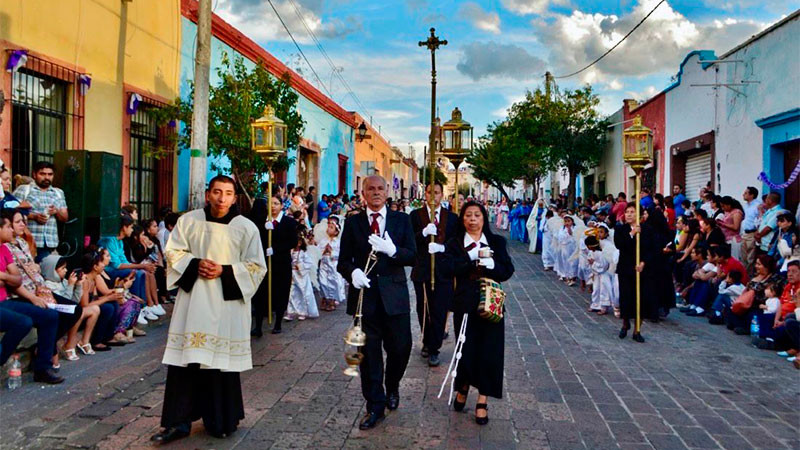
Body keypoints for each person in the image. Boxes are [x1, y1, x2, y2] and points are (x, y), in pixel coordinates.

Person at [151, 175, 266, 444]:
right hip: (194, 302)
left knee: (220, 362)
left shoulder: (246, 228)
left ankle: (221, 419)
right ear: (208, 194)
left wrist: (225, 270)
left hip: (226, 304)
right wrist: (195, 264)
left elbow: (256, 266)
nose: (221, 198)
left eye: (228, 193)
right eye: (217, 192)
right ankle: (177, 423)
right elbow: (173, 252)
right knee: (185, 361)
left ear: (235, 197)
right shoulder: (189, 221)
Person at [337, 175, 416, 430]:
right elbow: (343, 261)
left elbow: (413, 256)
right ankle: (375, 406)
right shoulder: (353, 223)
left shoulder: (401, 221)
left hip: (395, 299)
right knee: (369, 356)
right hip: (365, 300)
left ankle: (392, 385)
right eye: (370, 189)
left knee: (401, 349)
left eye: (380, 188)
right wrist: (353, 273)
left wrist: (392, 251)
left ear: (387, 192)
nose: (376, 193)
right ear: (363, 193)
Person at [440, 201, 514, 425]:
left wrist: (491, 265)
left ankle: (483, 399)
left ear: (484, 219)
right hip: (465, 303)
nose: (472, 219)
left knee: (490, 351)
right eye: (468, 215)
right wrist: (469, 258)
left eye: (477, 215)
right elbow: (446, 269)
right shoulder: (454, 244)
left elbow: (507, 270)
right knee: (466, 349)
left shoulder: (496, 242)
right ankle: (462, 386)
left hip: (491, 302)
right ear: (462, 219)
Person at [409, 182, 458, 367]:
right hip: (422, 270)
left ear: (441, 194)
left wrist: (442, 247)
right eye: (429, 192)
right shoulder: (415, 216)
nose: (432, 196)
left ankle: (434, 347)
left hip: (443, 271)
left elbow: (455, 243)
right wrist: (423, 233)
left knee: (439, 309)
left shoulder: (451, 218)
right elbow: (409, 241)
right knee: (424, 308)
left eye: (436, 193)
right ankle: (426, 340)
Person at [249, 194, 298, 336]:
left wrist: (276, 249)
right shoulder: (261, 221)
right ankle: (257, 326)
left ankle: (277, 324)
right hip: (264, 263)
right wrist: (265, 232)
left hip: (281, 264)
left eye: (276, 203)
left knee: (280, 292)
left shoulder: (288, 222)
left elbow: (293, 242)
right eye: (270, 203)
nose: (272, 206)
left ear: (281, 205)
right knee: (261, 294)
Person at [98, 216, 163, 320]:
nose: (132, 230)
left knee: (142, 272)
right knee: (138, 272)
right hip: (108, 271)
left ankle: (144, 306)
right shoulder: (110, 241)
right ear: (124, 227)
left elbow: (125, 262)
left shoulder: (120, 241)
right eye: (131, 227)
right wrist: (141, 266)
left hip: (118, 269)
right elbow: (117, 265)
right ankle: (138, 308)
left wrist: (142, 267)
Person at [614, 203, 656, 342]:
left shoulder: (647, 230)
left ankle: (637, 329)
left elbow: (651, 249)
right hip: (626, 268)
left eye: (632, 212)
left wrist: (643, 263)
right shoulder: (621, 229)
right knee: (626, 297)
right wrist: (632, 234)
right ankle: (625, 323)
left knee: (641, 299)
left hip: (642, 269)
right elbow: (620, 245)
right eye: (627, 212)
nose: (629, 214)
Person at [13, 161, 68, 262]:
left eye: (50, 174)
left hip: (51, 244)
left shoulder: (58, 193)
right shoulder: (24, 190)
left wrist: (56, 211)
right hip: (28, 243)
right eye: (42, 174)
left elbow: (65, 217)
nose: (46, 177)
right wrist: (34, 216)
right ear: (34, 174)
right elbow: (12, 212)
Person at [285, 227, 318, 321]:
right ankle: (291, 311)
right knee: (292, 293)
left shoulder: (303, 253)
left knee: (303, 293)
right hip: (293, 274)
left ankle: (303, 312)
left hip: (301, 275)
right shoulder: (291, 252)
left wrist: (300, 267)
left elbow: (309, 263)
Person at [318, 216, 346, 312]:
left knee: (333, 282)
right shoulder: (323, 241)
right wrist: (323, 251)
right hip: (324, 264)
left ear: (336, 231)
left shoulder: (338, 242)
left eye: (331, 227)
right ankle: (325, 298)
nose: (328, 229)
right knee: (323, 281)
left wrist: (332, 252)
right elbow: (318, 251)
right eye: (328, 227)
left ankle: (332, 300)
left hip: (333, 264)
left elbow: (340, 254)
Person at [740, 186, 762, 272]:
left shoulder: (757, 206)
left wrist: (757, 233)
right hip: (744, 233)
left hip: (752, 233)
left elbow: (760, 220)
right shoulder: (746, 206)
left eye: (746, 193)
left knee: (750, 258)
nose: (743, 195)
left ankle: (749, 275)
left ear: (751, 195)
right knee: (744, 256)